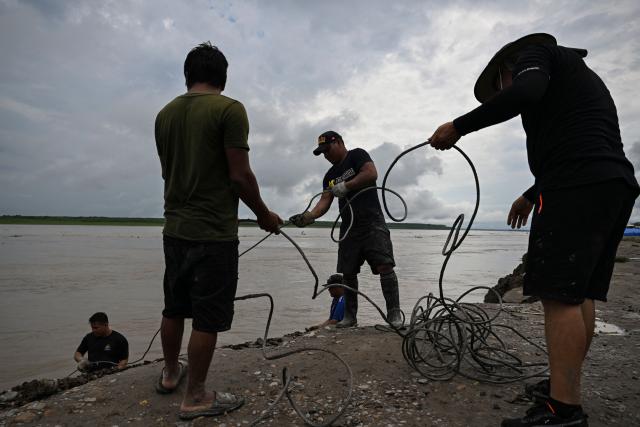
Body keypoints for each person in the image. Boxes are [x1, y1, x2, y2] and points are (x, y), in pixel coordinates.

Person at [429, 33, 639, 427]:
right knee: (581, 292)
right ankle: (563, 387)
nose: (498, 98)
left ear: (506, 70)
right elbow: (578, 142)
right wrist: (531, 192)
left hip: (576, 185)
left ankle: (564, 411)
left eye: (496, 91)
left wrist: (459, 126)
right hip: (610, 183)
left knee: (558, 295)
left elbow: (526, 92)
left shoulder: (536, 55)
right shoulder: (575, 78)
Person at [154, 42, 282, 421]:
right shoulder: (229, 110)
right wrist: (263, 214)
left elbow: (169, 171)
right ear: (223, 77)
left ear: (187, 75)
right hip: (213, 233)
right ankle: (195, 396)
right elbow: (239, 175)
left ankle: (170, 373)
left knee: (174, 306)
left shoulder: (164, 114)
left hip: (174, 228)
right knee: (208, 317)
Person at [290, 131, 402, 329]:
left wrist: (346, 186)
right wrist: (308, 217)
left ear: (339, 142)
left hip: (372, 222)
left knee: (385, 266)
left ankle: (394, 317)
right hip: (349, 226)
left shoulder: (357, 155)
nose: (326, 155)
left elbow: (371, 173)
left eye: (328, 149)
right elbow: (324, 202)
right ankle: (350, 317)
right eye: (322, 153)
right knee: (348, 272)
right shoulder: (329, 176)